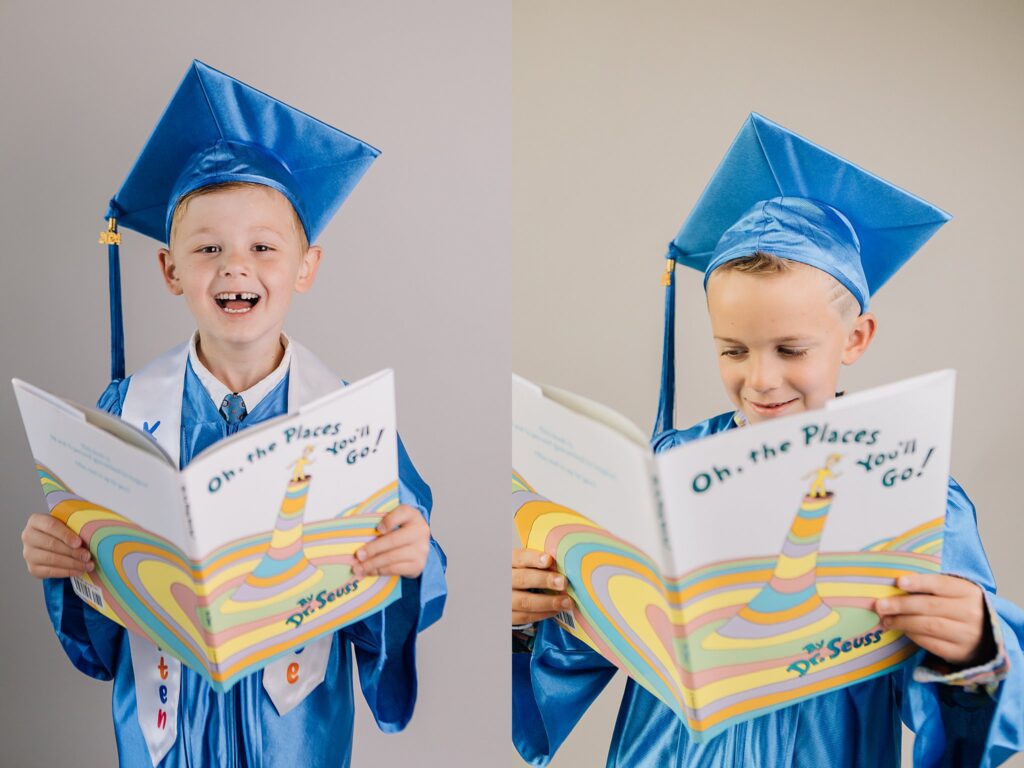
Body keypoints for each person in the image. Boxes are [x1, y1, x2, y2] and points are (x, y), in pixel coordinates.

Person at [512, 113, 1022, 767]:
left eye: (791, 348)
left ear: (855, 339)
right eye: (733, 350)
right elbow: (586, 645)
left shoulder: (912, 490)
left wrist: (977, 643)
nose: (761, 379)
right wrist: (533, 614)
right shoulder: (666, 470)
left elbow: (966, 703)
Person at [19, 60, 446, 768]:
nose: (234, 267)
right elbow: (99, 621)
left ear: (306, 266)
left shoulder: (351, 425)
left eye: (263, 248)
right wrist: (63, 566)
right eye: (208, 247)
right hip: (165, 729)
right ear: (169, 271)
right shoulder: (124, 414)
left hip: (295, 727)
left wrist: (411, 560)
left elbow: (405, 573)